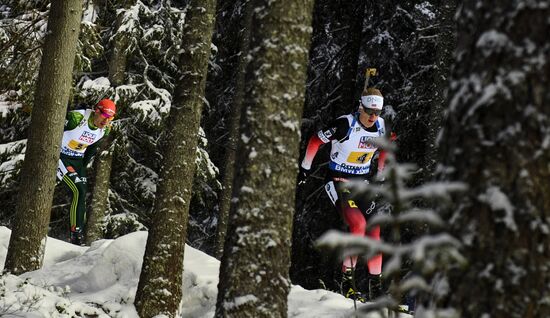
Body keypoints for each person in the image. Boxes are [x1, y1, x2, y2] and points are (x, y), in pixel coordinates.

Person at [298, 87, 393, 301]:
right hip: (337, 181)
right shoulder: (345, 124)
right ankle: (347, 283)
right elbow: (315, 140)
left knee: (375, 227)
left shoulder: (380, 126)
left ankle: (376, 287)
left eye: (377, 113)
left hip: (362, 183)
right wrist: (305, 168)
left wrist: (381, 171)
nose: (372, 117)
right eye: (369, 111)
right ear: (361, 107)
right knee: (358, 224)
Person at [56, 98, 116, 245]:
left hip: (77, 161)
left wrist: (82, 166)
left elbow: (92, 147)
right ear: (96, 111)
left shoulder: (105, 129)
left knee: (82, 193)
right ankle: (75, 233)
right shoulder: (78, 117)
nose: (106, 121)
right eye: (104, 116)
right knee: (79, 191)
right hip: (61, 156)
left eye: (110, 118)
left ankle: (78, 235)